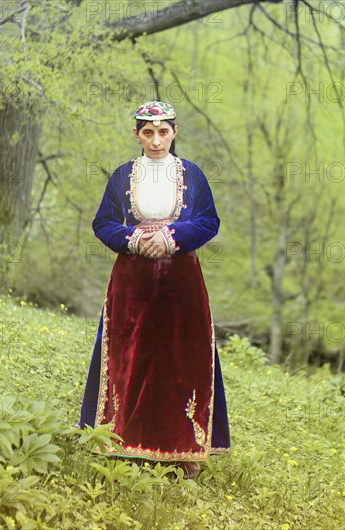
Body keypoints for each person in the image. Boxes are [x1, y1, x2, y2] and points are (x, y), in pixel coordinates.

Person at [77, 101, 231, 479]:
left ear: (174, 133)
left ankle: (184, 450)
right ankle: (123, 442)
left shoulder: (192, 175)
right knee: (131, 357)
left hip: (181, 282)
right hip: (133, 283)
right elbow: (103, 223)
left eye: (163, 132)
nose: (156, 140)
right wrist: (132, 238)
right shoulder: (121, 176)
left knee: (181, 356)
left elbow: (209, 221)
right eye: (148, 132)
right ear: (136, 134)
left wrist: (171, 237)